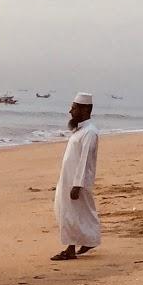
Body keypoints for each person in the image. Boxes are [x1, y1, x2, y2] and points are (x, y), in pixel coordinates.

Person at [53, 92, 100, 260]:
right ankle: (88, 240)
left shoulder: (90, 132)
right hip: (68, 179)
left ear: (85, 109)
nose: (70, 111)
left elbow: (85, 160)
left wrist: (77, 184)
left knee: (72, 214)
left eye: (74, 108)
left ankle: (71, 248)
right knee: (72, 212)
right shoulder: (80, 131)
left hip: (76, 181)